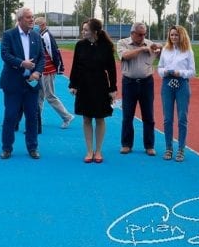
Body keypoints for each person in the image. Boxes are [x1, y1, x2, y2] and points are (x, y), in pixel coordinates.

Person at [69, 19, 117, 163]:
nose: (83, 32)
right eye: (82, 29)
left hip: (100, 85)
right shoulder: (80, 45)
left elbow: (112, 69)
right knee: (86, 118)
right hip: (84, 85)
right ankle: (89, 151)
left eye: (86, 30)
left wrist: (113, 88)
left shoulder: (106, 46)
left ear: (94, 31)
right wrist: (73, 84)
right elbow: (75, 66)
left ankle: (98, 151)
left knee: (100, 118)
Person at [0, 7, 45, 160]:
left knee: (32, 116)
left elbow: (41, 57)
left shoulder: (36, 36)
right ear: (19, 20)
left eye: (32, 17)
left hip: (31, 84)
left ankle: (33, 147)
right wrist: (21, 63)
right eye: (28, 17)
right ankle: (7, 148)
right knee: (10, 116)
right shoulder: (9, 35)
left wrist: (37, 72)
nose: (32, 20)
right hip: (13, 83)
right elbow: (5, 54)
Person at [116, 22, 162, 156]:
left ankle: (149, 145)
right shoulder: (122, 43)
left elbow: (162, 56)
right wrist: (142, 49)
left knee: (148, 115)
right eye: (140, 34)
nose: (143, 37)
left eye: (144, 34)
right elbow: (125, 56)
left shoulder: (149, 43)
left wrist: (160, 47)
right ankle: (126, 144)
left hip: (146, 83)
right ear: (132, 33)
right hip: (129, 83)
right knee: (127, 115)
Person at [158, 25, 196, 162]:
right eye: (172, 35)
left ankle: (181, 149)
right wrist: (165, 71)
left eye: (176, 35)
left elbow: (192, 72)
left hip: (182, 85)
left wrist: (180, 72)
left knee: (182, 118)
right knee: (167, 119)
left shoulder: (188, 51)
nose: (174, 37)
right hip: (167, 84)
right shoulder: (165, 50)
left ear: (182, 36)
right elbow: (159, 68)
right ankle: (168, 148)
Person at [34, 16, 74, 131]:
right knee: (39, 96)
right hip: (42, 70)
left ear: (43, 25)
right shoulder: (41, 35)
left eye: (37, 25)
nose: (35, 27)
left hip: (48, 70)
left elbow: (54, 52)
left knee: (50, 96)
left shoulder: (46, 36)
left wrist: (58, 67)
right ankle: (37, 119)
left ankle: (67, 117)